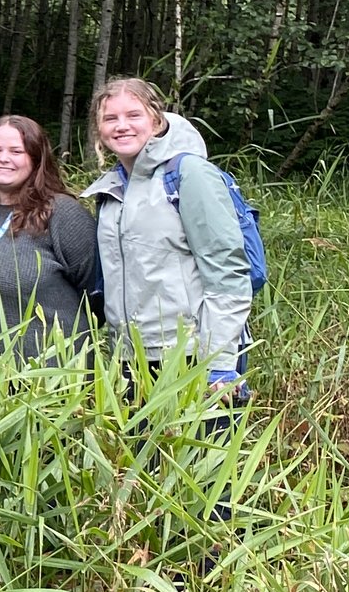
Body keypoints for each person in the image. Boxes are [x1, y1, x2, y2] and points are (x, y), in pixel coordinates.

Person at [86, 77, 254, 387]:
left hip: (191, 354)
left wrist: (218, 362)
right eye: (110, 118)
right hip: (129, 357)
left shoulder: (188, 173)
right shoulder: (111, 189)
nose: (121, 125)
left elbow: (227, 270)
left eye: (133, 115)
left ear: (156, 118)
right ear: (99, 129)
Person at [0, 115, 100, 354]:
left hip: (44, 379)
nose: (4, 159)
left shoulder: (63, 215)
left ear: (36, 158)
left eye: (16, 151)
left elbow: (95, 295)